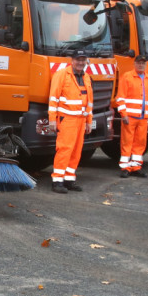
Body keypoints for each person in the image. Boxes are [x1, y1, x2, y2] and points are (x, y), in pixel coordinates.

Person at [47, 51, 94, 193]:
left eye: (83, 60)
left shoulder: (86, 77)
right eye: (78, 60)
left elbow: (89, 103)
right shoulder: (61, 75)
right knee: (64, 149)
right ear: (72, 60)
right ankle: (57, 181)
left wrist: (88, 121)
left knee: (76, 151)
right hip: (66, 119)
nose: (80, 63)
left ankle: (69, 179)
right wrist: (52, 119)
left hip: (80, 121)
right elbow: (53, 98)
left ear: (86, 61)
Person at [115, 54, 148, 178]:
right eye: (139, 63)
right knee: (127, 142)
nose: (141, 65)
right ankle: (125, 167)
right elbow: (120, 97)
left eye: (143, 63)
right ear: (134, 64)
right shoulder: (127, 77)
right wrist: (123, 114)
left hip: (143, 118)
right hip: (130, 117)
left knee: (140, 143)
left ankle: (136, 166)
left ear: (145, 65)